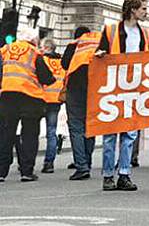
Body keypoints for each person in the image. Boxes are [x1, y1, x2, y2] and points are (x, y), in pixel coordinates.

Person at [95, 0, 149, 191]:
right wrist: (100, 54)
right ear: (133, 10)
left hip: (135, 86)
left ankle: (124, 174)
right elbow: (100, 51)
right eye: (143, 8)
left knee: (130, 134)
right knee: (111, 134)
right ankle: (108, 175)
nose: (146, 12)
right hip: (114, 86)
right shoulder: (111, 30)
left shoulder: (146, 33)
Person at [0, 27, 55, 182]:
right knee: (29, 135)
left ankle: (1, 171)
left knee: (5, 134)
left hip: (7, 96)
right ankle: (26, 171)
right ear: (34, 40)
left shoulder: (5, 49)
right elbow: (46, 77)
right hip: (30, 98)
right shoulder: (34, 52)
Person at [61, 26, 98, 180]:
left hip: (75, 90)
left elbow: (64, 64)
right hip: (95, 89)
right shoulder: (98, 43)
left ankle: (81, 166)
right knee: (90, 127)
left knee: (76, 128)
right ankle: (87, 162)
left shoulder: (73, 46)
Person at [40, 38, 65, 174]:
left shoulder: (42, 60)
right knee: (51, 131)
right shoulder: (62, 63)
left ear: (47, 48)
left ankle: (27, 161)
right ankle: (49, 163)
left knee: (32, 131)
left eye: (42, 47)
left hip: (41, 98)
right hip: (56, 100)